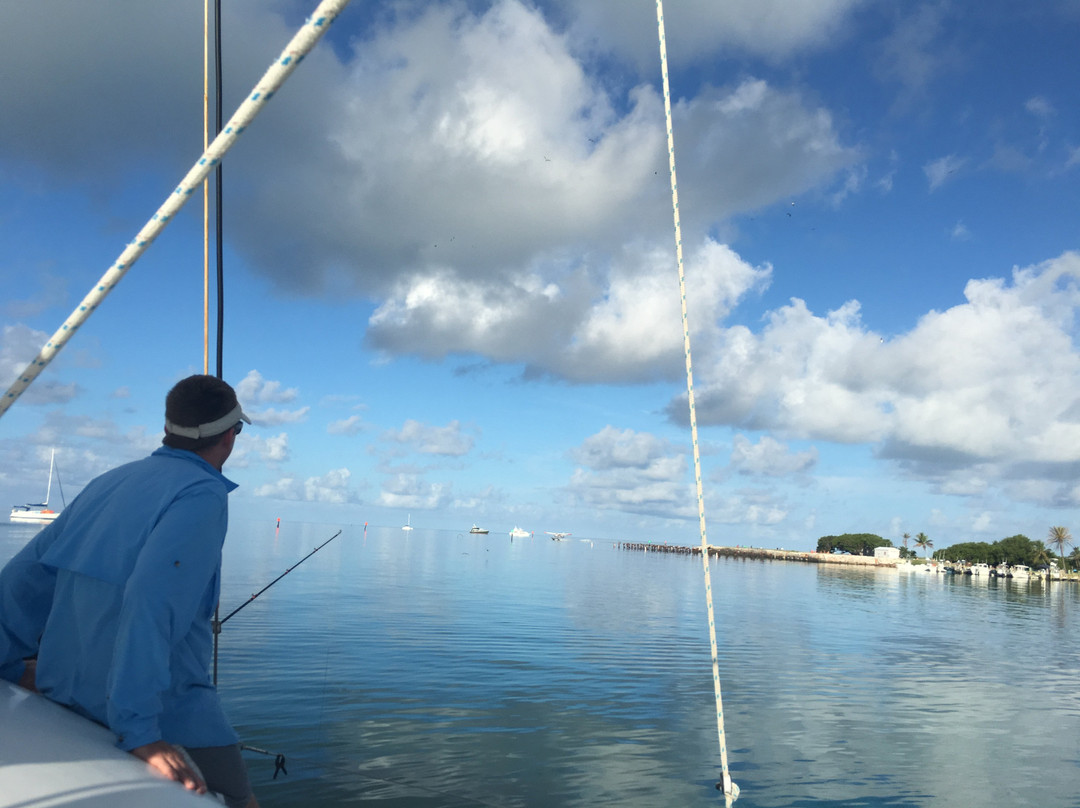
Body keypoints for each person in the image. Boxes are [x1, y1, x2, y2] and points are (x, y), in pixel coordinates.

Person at [0, 375, 258, 808]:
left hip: (65, 694)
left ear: (168, 429)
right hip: (166, 714)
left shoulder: (110, 480)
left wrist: (8, 663)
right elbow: (151, 600)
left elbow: (25, 576)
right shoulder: (203, 494)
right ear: (230, 436)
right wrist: (141, 732)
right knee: (241, 801)